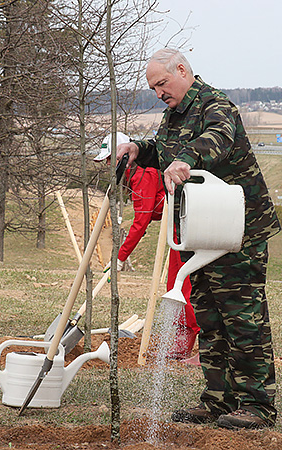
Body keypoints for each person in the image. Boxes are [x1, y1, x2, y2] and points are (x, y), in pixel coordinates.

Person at [116, 48, 281, 430]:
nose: (159, 92)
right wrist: (139, 149)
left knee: (243, 317)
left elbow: (216, 140)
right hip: (202, 227)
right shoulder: (174, 114)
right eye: (153, 88)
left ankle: (257, 405)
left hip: (239, 229)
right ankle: (219, 399)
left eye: (162, 83)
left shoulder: (215, 105)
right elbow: (164, 152)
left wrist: (187, 159)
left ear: (182, 70)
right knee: (208, 317)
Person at [96, 132, 200, 360]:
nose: (106, 165)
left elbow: (141, 221)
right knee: (176, 283)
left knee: (182, 286)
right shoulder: (136, 176)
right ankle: (183, 340)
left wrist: (120, 257)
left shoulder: (143, 175)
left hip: (184, 223)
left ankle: (195, 342)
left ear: (123, 157)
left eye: (109, 159)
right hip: (176, 223)